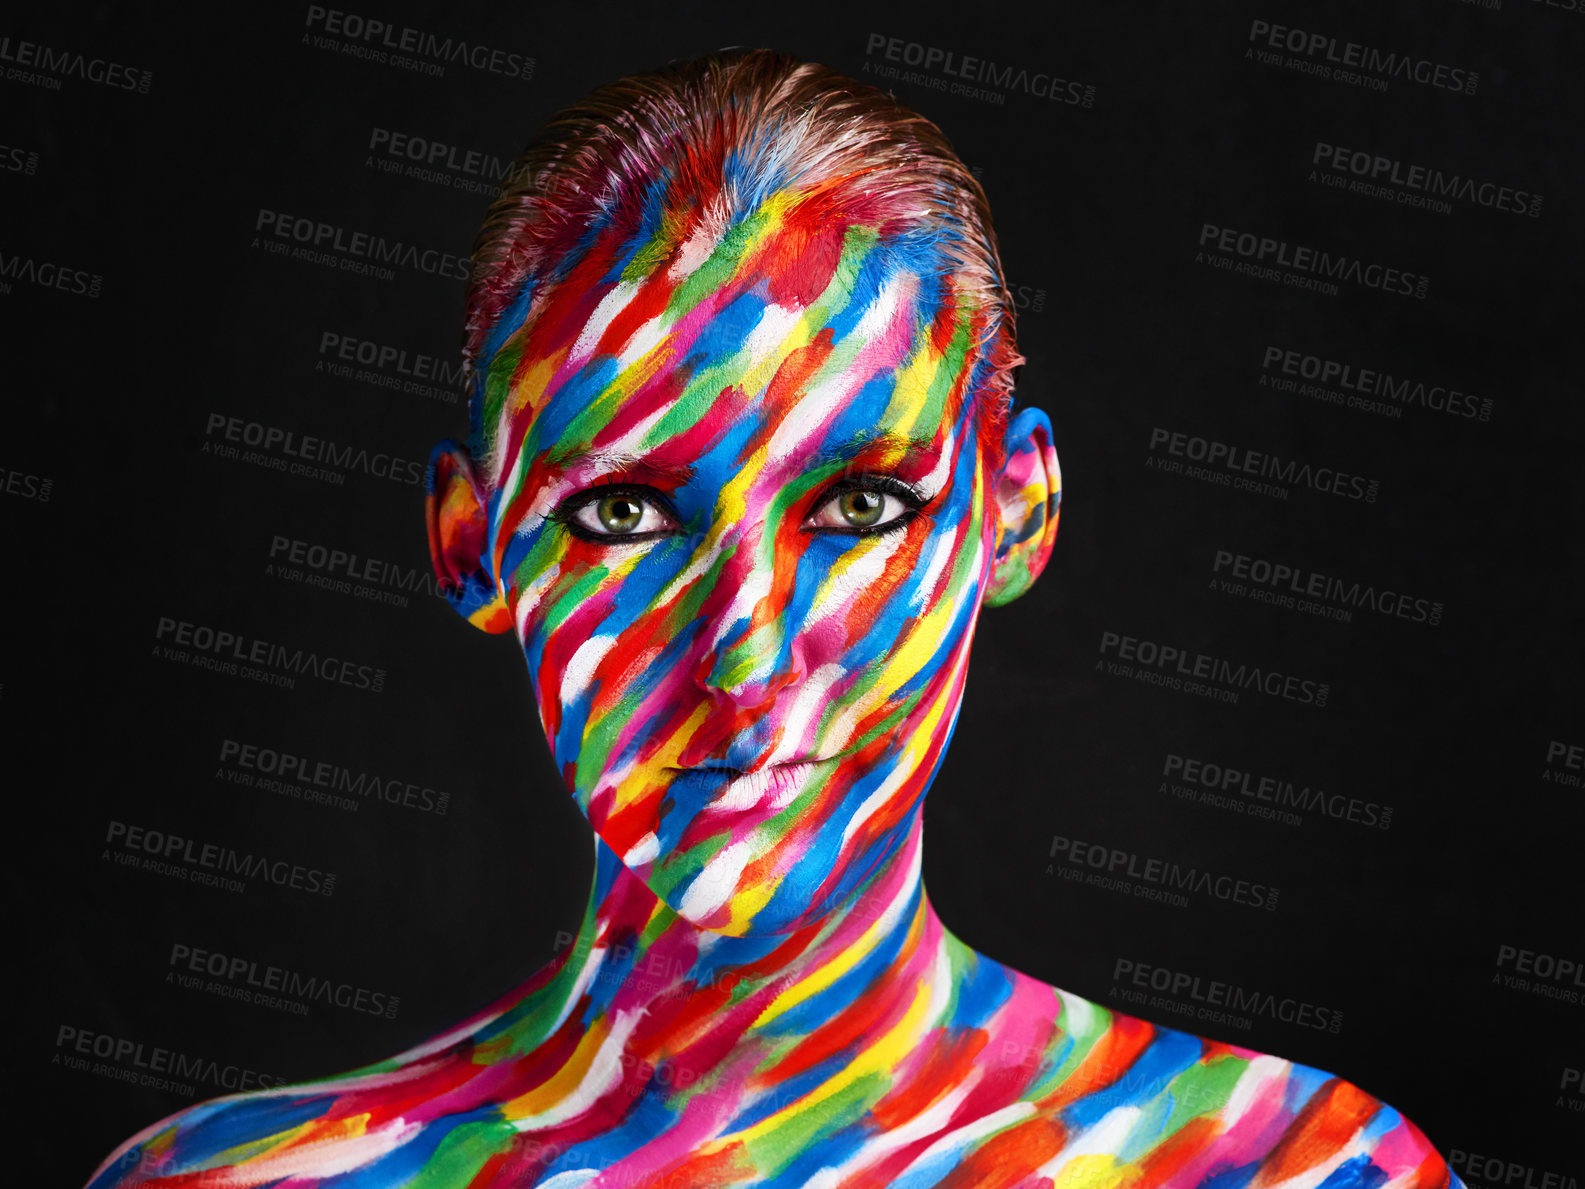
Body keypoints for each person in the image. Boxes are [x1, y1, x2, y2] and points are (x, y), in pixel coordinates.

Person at [88, 49, 1459, 1188]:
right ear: (471, 540)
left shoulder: (1286, 1168)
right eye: (623, 514)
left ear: (1016, 509)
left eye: (858, 508)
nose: (745, 658)